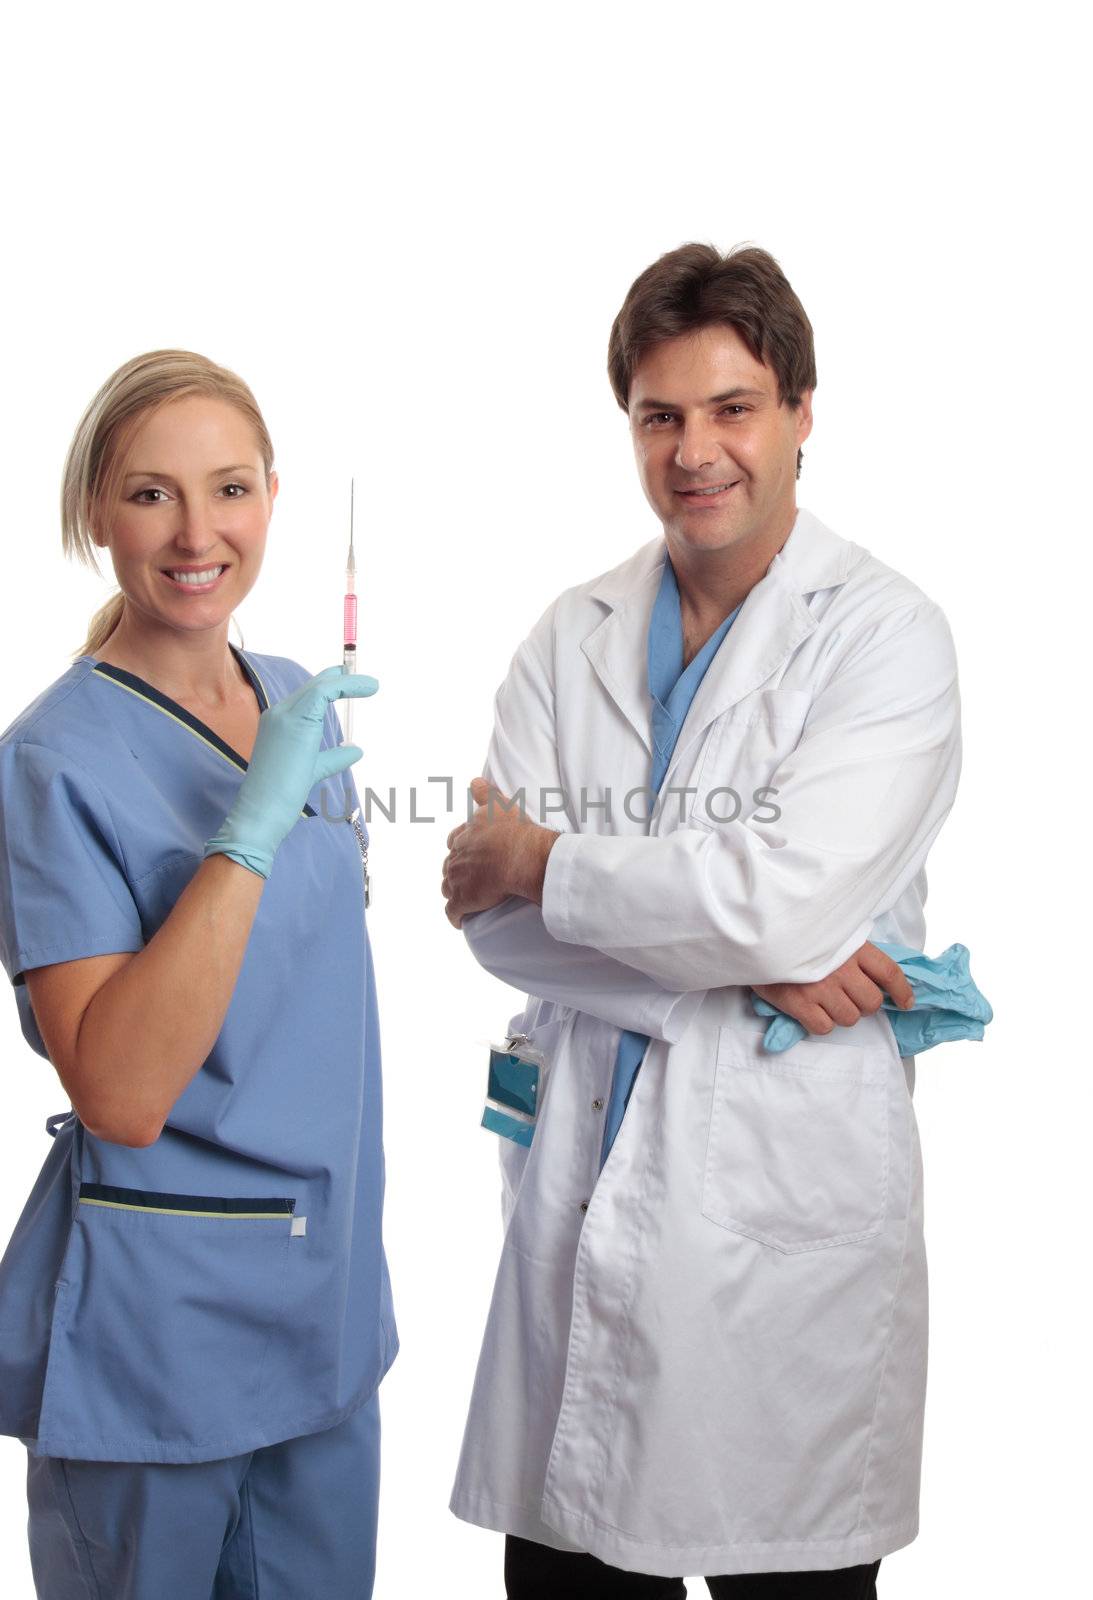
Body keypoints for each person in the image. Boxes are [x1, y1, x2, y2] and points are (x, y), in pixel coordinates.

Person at [441, 244, 962, 1597]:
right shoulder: (572, 633)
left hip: (773, 1230)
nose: (695, 450)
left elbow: (777, 898)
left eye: (732, 407)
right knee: (565, 1575)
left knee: (781, 1563)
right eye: (659, 416)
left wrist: (543, 857)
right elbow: (487, 920)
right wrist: (730, 975)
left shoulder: (884, 637)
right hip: (582, 1194)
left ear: (798, 411)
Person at [0, 351, 397, 1599]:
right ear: (93, 514)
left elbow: (311, 990)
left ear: (272, 498)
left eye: (228, 489)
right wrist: (247, 831)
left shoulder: (298, 704)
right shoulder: (52, 761)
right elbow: (118, 1088)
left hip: (324, 1304)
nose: (195, 533)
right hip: (163, 1329)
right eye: (149, 494)